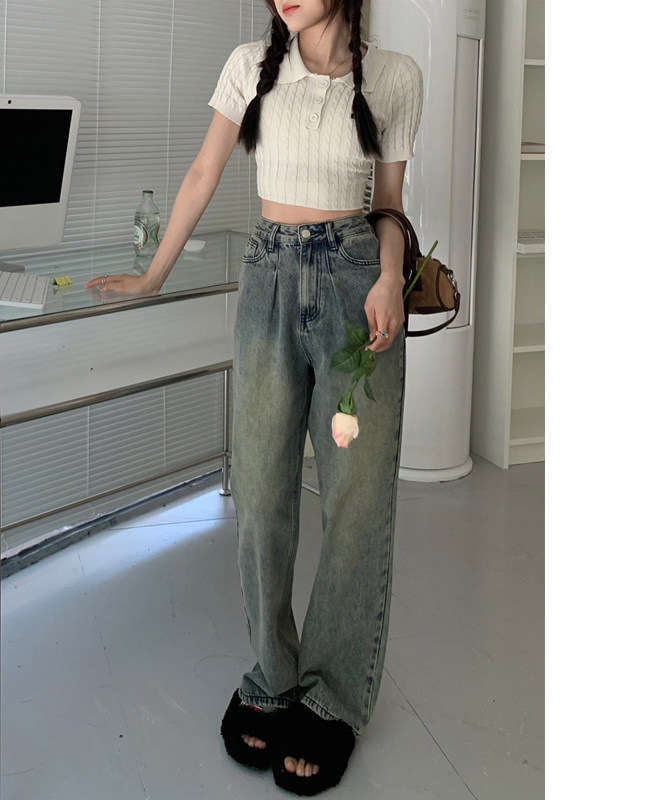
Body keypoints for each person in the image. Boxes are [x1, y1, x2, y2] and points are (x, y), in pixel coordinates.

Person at [87, 0, 422, 794]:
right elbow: (203, 173)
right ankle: (274, 673)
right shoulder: (249, 66)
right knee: (263, 492)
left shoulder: (395, 77)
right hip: (268, 280)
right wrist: (153, 276)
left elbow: (389, 204)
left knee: (356, 503)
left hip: (355, 284)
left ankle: (333, 698)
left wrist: (388, 279)